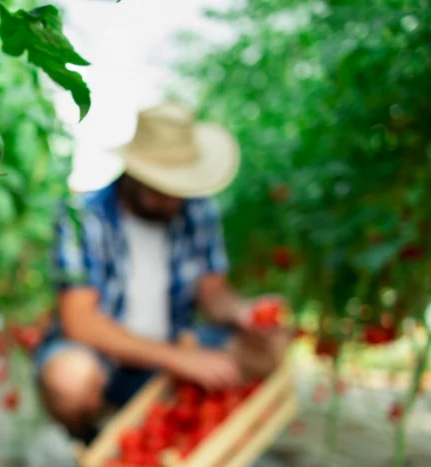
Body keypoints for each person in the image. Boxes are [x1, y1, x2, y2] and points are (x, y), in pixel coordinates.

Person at [36, 102, 288, 444]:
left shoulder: (197, 211)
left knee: (271, 346)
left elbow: (213, 292)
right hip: (107, 360)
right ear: (134, 174)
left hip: (173, 349)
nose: (173, 200)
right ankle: (92, 439)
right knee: (69, 379)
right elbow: (79, 321)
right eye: (161, 189)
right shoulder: (83, 217)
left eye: (179, 189)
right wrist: (181, 359)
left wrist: (242, 312)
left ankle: (185, 431)